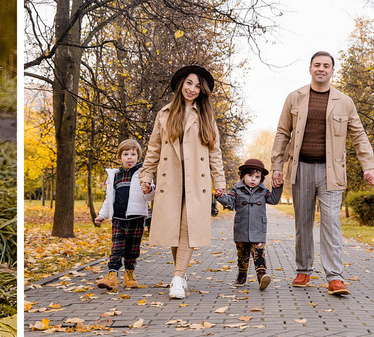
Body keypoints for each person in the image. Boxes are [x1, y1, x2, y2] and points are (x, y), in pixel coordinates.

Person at [270, 51, 374, 297]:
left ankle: (335, 277)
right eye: (317, 65)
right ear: (310, 69)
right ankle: (303, 270)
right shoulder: (295, 98)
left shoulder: (345, 101)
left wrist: (369, 166)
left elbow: (359, 135)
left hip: (332, 172)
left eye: (326, 65)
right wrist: (277, 166)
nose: (321, 69)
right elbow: (282, 133)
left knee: (331, 221)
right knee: (303, 221)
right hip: (301, 169)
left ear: (332, 71)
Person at [145, 64, 230, 299]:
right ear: (181, 84)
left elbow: (215, 151)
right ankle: (180, 275)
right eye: (189, 83)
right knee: (174, 229)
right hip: (170, 179)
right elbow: (153, 148)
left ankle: (177, 277)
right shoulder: (164, 114)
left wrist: (219, 180)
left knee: (187, 228)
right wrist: (146, 175)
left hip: (197, 180)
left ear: (203, 91)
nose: (192, 89)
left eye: (197, 86)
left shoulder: (205, 116)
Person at [92, 137, 154, 290]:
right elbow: (109, 199)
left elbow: (150, 195)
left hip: (137, 218)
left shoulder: (143, 174)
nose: (129, 158)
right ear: (120, 157)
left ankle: (129, 274)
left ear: (138, 157)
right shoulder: (114, 175)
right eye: (126, 154)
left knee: (132, 248)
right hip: (118, 219)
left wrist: (149, 189)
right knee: (116, 247)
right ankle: (112, 275)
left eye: (133, 154)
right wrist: (101, 215)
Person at [224, 158, 283, 290]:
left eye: (257, 177)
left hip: (258, 228)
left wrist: (277, 188)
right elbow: (229, 200)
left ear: (261, 178)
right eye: (250, 175)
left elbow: (273, 200)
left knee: (259, 253)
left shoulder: (263, 191)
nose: (253, 179)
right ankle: (242, 274)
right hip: (241, 227)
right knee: (242, 254)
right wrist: (219, 196)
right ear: (243, 175)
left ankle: (261, 276)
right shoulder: (237, 189)